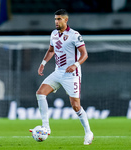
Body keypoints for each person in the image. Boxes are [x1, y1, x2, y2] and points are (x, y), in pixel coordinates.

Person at [30, 9, 93, 145]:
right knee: (40, 93)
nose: (56, 22)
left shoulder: (74, 35)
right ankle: (46, 127)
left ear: (66, 20)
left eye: (59, 19)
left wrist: (75, 65)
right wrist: (43, 63)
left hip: (72, 74)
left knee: (76, 106)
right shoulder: (53, 34)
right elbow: (51, 50)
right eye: (55, 19)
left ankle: (88, 132)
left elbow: (85, 54)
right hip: (58, 72)